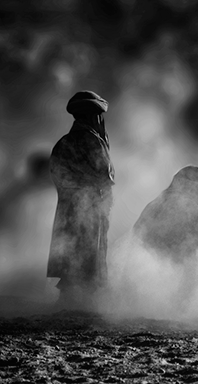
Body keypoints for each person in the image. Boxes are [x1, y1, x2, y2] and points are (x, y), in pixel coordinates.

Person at [47, 91, 114, 308]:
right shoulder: (93, 141)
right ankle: (84, 302)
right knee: (89, 253)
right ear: (95, 116)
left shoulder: (64, 142)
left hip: (68, 206)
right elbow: (105, 176)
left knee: (71, 251)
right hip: (90, 207)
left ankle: (68, 299)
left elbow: (56, 173)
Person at [133, 166, 198, 263]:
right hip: (177, 269)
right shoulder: (194, 212)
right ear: (184, 184)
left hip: (144, 267)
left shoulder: (153, 206)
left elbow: (136, 237)